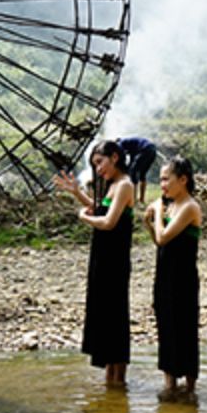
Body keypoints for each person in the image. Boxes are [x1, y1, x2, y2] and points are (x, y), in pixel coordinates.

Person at [54, 140, 134, 386]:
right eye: (94, 165)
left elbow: (109, 222)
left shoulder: (125, 185)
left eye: (100, 163)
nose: (98, 169)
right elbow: (98, 209)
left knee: (115, 316)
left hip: (115, 260)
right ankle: (110, 377)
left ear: (115, 158)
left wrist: (83, 219)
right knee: (104, 313)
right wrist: (76, 192)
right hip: (101, 257)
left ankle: (118, 378)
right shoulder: (111, 186)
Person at [143, 156, 202, 398]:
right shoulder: (171, 206)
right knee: (166, 327)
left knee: (185, 329)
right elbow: (158, 241)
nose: (163, 185)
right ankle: (169, 383)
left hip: (183, 279)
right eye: (160, 180)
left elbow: (164, 237)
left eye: (167, 179)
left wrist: (157, 211)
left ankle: (189, 389)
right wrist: (149, 221)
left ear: (183, 180)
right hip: (164, 275)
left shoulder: (189, 206)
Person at [117, 136, 157, 205]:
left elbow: (120, 158)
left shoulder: (120, 143)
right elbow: (131, 162)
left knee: (133, 174)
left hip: (145, 149)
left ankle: (133, 199)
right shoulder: (132, 145)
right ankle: (141, 199)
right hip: (152, 150)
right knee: (142, 175)